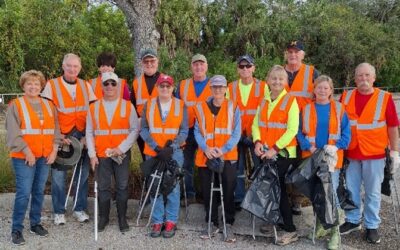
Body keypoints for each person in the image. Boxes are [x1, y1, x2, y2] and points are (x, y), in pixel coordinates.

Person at [339, 63, 400, 244]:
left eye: (367, 76)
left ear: (373, 78)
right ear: (355, 78)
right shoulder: (346, 96)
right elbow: (339, 123)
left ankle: (372, 225)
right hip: (352, 152)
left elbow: (392, 126)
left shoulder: (384, 97)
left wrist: (395, 151)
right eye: (359, 76)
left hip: (375, 154)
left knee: (373, 191)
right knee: (351, 188)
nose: (363, 79)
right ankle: (352, 220)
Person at [6, 70, 62, 245]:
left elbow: (56, 130)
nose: (33, 86)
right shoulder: (15, 105)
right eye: (29, 83)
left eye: (36, 84)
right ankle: (16, 229)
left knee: (38, 191)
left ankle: (35, 223)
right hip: (24, 157)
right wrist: (27, 152)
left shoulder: (49, 105)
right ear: (23, 85)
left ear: (41, 86)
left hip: (44, 156)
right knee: (23, 193)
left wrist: (54, 150)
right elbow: (13, 134)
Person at [41, 53, 97, 225]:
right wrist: (56, 136)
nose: (72, 69)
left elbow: (94, 111)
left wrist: (89, 136)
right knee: (58, 176)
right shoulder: (52, 85)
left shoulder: (86, 85)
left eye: (76, 66)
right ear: (63, 66)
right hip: (62, 136)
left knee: (82, 174)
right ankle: (59, 211)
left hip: (81, 135)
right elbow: (46, 113)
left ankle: (79, 209)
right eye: (69, 66)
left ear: (80, 68)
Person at [297, 75, 351, 249]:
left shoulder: (339, 109)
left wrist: (336, 146)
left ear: (331, 90)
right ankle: (322, 224)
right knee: (316, 193)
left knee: (331, 194)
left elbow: (346, 135)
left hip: (331, 158)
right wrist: (308, 146)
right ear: (314, 89)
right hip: (312, 157)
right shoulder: (306, 108)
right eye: (319, 87)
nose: (322, 90)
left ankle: (335, 231)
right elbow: (298, 132)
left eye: (326, 88)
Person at [252, 65, 299, 246]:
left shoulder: (290, 100)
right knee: (271, 188)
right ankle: (276, 219)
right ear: (268, 81)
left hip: (283, 153)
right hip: (265, 152)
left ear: (286, 82)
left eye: (281, 79)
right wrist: (257, 142)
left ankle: (290, 229)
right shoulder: (264, 101)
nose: (277, 82)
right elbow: (257, 124)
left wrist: (275, 148)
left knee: (277, 188)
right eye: (274, 78)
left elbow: (292, 130)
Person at [86, 72, 139, 232]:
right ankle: (104, 218)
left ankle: (122, 219)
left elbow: (135, 129)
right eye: (106, 83)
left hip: (120, 154)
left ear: (118, 86)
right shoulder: (93, 107)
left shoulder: (127, 105)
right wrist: (92, 155)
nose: (109, 86)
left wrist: (121, 148)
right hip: (101, 155)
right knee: (103, 187)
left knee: (122, 186)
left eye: (113, 83)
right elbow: (89, 132)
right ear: (101, 86)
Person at [140, 74, 188, 238]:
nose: (165, 89)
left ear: (172, 88)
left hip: (174, 153)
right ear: (157, 88)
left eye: (168, 86)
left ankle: (171, 221)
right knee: (155, 188)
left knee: (172, 187)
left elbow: (184, 131)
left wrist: (172, 147)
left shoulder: (181, 105)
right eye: (162, 86)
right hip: (154, 153)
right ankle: (157, 220)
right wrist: (156, 147)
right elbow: (144, 129)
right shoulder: (149, 105)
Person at [194, 75, 241, 243]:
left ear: (226, 88)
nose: (218, 90)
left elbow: (237, 133)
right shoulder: (200, 107)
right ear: (211, 88)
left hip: (227, 156)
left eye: (221, 87)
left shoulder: (233, 106)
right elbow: (197, 132)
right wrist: (206, 148)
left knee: (228, 190)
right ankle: (211, 222)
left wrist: (222, 149)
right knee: (208, 191)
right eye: (215, 87)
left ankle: (228, 222)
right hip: (206, 156)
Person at [284, 40, 319, 216]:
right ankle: (285, 199)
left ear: (303, 54)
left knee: (301, 166)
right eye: (290, 51)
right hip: (283, 128)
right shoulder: (279, 73)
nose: (293, 54)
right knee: (286, 165)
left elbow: (323, 97)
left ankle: (297, 200)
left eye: (296, 51)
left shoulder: (312, 73)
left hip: (304, 129)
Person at [227, 54, 265, 210]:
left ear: (253, 68)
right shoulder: (231, 87)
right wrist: (237, 134)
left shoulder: (263, 86)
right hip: (237, 135)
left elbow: (266, 111)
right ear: (237, 69)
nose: (245, 69)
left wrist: (255, 137)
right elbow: (227, 111)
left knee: (259, 168)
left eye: (248, 66)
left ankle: (258, 200)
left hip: (256, 136)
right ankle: (239, 198)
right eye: (241, 66)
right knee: (238, 168)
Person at [175, 54, 212, 205]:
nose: (198, 67)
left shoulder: (214, 85)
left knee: (207, 164)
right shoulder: (183, 85)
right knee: (186, 165)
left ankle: (207, 196)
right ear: (191, 67)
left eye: (201, 64)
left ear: (206, 66)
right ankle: (190, 195)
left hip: (207, 131)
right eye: (195, 64)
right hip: (187, 130)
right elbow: (176, 107)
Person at [131, 48, 164, 161]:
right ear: (141, 63)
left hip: (161, 129)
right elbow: (132, 107)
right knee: (146, 160)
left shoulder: (166, 81)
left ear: (157, 61)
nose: (149, 64)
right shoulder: (136, 83)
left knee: (161, 159)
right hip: (142, 129)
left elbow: (173, 106)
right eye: (146, 61)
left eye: (152, 61)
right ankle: (147, 179)